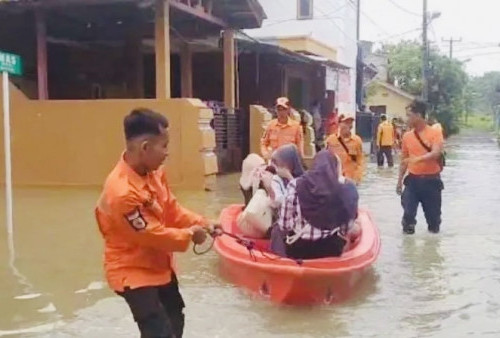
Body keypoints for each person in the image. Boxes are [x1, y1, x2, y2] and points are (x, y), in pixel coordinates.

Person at [95, 108, 216, 338]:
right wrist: (191, 234)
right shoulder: (122, 192)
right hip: (132, 270)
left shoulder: (155, 172)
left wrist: (204, 223)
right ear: (145, 148)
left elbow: (171, 209)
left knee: (175, 317)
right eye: (164, 146)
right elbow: (151, 235)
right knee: (158, 332)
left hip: (160, 265)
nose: (167, 153)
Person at [273, 151, 359, 259]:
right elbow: (345, 228)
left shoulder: (295, 185)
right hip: (331, 250)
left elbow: (284, 225)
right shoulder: (343, 189)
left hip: (298, 251)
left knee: (276, 230)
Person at [397, 100, 444, 234]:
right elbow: (404, 160)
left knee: (434, 221)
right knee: (408, 216)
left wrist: (418, 159)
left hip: (431, 182)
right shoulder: (407, 136)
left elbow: (436, 153)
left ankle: (432, 250)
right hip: (412, 181)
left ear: (418, 115)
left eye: (409, 115)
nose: (407, 118)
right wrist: (399, 181)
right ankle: (407, 251)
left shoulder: (435, 132)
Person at [326, 114, 365, 184]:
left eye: (350, 123)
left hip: (350, 180)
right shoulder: (331, 140)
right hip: (335, 180)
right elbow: (326, 160)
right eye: (346, 122)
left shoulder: (357, 140)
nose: (349, 125)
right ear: (339, 124)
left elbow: (360, 160)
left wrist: (358, 177)